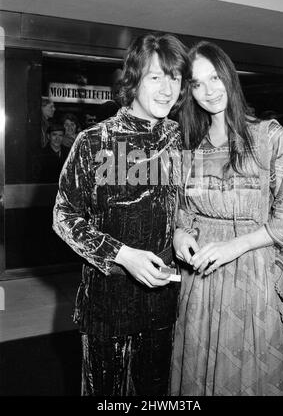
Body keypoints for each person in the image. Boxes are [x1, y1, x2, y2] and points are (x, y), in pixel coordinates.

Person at [53, 33, 189, 396]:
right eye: (155, 77)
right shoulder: (94, 141)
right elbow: (64, 216)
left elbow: (180, 203)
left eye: (173, 78)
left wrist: (178, 229)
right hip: (108, 301)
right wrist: (122, 255)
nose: (166, 89)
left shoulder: (177, 138)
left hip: (162, 300)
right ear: (134, 80)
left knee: (154, 392)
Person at [170, 41, 283, 396]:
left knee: (246, 376)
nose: (209, 91)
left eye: (215, 78)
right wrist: (181, 236)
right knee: (197, 371)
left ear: (230, 76)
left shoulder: (268, 137)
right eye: (197, 83)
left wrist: (234, 246)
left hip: (252, 275)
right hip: (200, 280)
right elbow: (181, 211)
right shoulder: (189, 145)